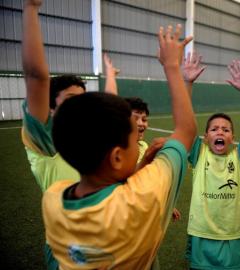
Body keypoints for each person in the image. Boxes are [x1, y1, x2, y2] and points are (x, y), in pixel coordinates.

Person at [42, 23, 197, 269]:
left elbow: (111, 184)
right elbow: (186, 131)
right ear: (116, 157)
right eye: (133, 137)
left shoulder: (53, 199)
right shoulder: (141, 196)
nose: (139, 145)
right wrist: (171, 67)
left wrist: (143, 161)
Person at [182, 53, 240, 269]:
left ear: (232, 138)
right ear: (206, 137)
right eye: (214, 129)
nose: (220, 132)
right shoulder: (199, 154)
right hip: (202, 233)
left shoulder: (239, 157)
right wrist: (187, 83)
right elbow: (186, 123)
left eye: (226, 130)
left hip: (232, 235)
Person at [21, 0, 85, 193]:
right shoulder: (47, 137)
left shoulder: (80, 134)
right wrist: (31, 8)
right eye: (71, 99)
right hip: (68, 223)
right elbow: (36, 77)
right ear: (51, 107)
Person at [103, 53, 151, 164]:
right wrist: (110, 75)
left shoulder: (144, 146)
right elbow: (111, 105)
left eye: (144, 119)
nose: (141, 123)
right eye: (135, 118)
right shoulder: (117, 147)